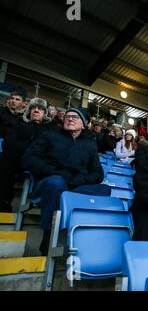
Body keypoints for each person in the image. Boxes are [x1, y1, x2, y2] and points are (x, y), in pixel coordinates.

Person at [21, 107, 110, 255]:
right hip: (49, 182)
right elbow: (28, 159)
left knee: (105, 190)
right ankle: (49, 233)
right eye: (67, 116)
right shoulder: (49, 135)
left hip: (74, 186)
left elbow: (98, 174)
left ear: (84, 124)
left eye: (75, 117)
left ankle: (87, 238)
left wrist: (81, 179)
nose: (70, 118)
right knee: (56, 183)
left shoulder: (89, 145)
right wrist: (55, 172)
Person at [0, 97, 53, 212]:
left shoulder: (50, 130)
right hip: (19, 160)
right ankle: (4, 201)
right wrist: (31, 147)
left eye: (40, 109)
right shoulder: (19, 124)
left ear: (45, 113)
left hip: (40, 162)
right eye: (33, 108)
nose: (36, 110)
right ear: (29, 111)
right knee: (5, 157)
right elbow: (8, 143)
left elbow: (52, 149)